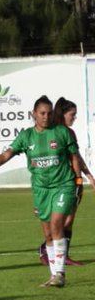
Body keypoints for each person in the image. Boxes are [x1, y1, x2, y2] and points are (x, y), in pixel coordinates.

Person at [0, 95, 82, 288]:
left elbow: (74, 157)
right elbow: (7, 154)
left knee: (57, 224)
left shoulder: (62, 132)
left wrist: (78, 180)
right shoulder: (26, 136)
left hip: (63, 185)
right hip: (40, 190)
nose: (46, 117)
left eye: (49, 113)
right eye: (42, 113)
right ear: (33, 114)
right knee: (48, 234)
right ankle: (53, 275)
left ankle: (60, 273)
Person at [37, 97, 95, 266]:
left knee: (69, 220)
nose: (74, 118)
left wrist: (87, 175)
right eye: (72, 114)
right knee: (62, 220)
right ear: (63, 114)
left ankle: (63, 255)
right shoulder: (53, 132)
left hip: (73, 181)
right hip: (61, 183)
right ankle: (45, 248)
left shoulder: (69, 133)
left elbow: (75, 156)